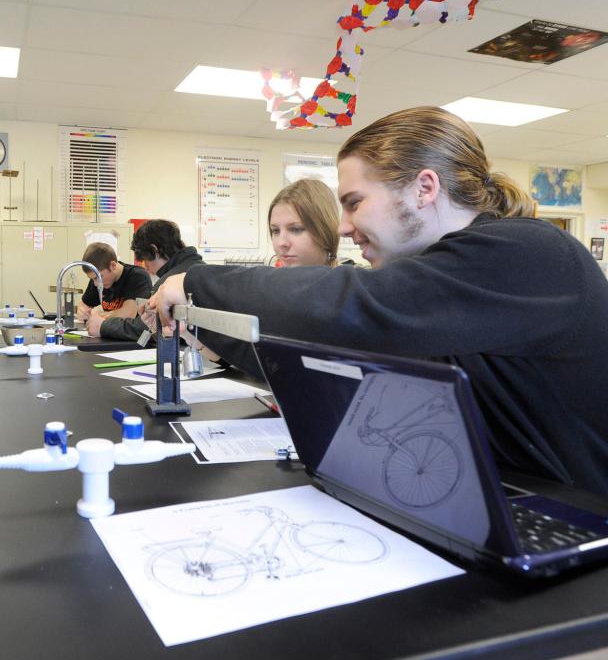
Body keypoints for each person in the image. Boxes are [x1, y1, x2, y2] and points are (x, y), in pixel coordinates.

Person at [147, 106, 608, 496]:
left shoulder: (531, 253)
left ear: (424, 189)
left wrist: (197, 284)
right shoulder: (444, 280)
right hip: (499, 494)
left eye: (354, 202)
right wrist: (207, 322)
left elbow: (355, 308)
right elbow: (319, 352)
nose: (344, 226)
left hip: (581, 514)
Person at [96, 220, 203, 341]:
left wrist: (103, 327)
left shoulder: (168, 283)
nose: (145, 266)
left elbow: (146, 327)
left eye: (145, 259)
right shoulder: (200, 268)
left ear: (154, 250)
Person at [77, 242, 152, 335]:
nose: (96, 284)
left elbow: (128, 314)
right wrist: (82, 312)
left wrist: (99, 316)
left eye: (98, 278)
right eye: (92, 279)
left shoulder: (137, 276)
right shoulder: (98, 280)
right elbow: (84, 306)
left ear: (113, 265)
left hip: (133, 340)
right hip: (110, 335)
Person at [268, 178, 341, 267]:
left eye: (296, 229)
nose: (281, 243)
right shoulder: (266, 279)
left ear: (326, 232)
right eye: (275, 230)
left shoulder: (351, 279)